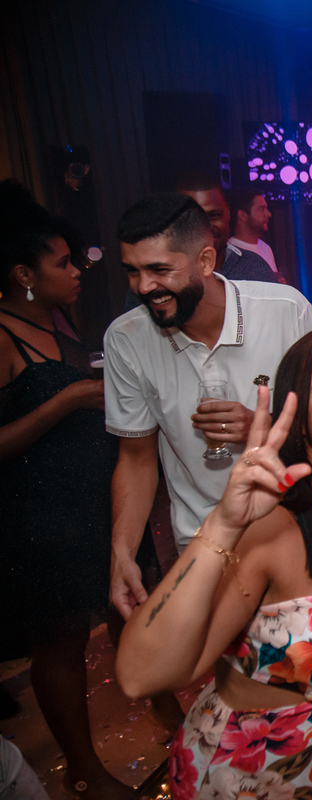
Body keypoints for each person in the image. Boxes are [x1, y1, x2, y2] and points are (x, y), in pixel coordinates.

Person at [115, 325, 312, 800]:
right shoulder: (270, 531)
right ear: (295, 419)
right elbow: (141, 676)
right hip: (255, 780)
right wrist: (223, 524)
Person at [107, 193, 312, 619]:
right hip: (203, 542)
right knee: (219, 657)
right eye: (132, 271)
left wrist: (261, 424)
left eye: (159, 270)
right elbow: (136, 458)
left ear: (205, 261)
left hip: (296, 528)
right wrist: (122, 551)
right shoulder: (126, 339)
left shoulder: (285, 311)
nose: (143, 287)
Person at [0, 181, 129, 800]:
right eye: (62, 263)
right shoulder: (3, 334)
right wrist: (71, 398)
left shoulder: (55, 320)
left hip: (95, 502)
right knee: (62, 642)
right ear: (24, 275)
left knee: (128, 609)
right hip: (42, 513)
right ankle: (84, 769)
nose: (76, 271)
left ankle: (168, 713)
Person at [173, 172, 279, 284]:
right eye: (193, 218)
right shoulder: (167, 275)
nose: (205, 227)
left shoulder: (255, 270)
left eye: (214, 216)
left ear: (227, 212)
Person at [226, 188, 279, 276]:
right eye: (261, 209)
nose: (268, 214)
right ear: (243, 215)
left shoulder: (266, 248)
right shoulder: (228, 252)